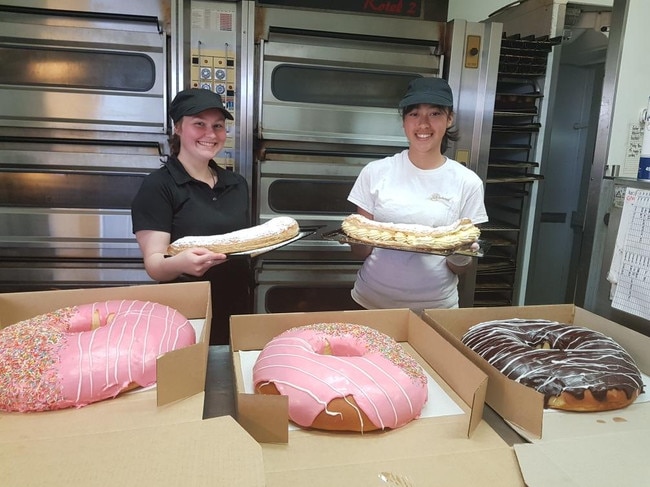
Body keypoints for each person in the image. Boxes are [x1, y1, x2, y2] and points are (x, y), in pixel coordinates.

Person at [346, 77, 488, 314]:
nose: (423, 124)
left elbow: (459, 267)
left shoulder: (467, 182)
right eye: (414, 114)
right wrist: (354, 237)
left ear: (449, 118)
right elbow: (360, 252)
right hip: (371, 303)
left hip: (435, 309)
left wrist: (463, 252)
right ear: (404, 120)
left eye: (434, 114)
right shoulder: (375, 172)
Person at [131, 88, 251, 345]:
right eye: (199, 124)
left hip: (237, 307)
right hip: (186, 312)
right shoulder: (159, 186)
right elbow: (154, 264)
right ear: (178, 128)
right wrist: (180, 264)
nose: (211, 134)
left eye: (218, 126)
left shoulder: (236, 184)